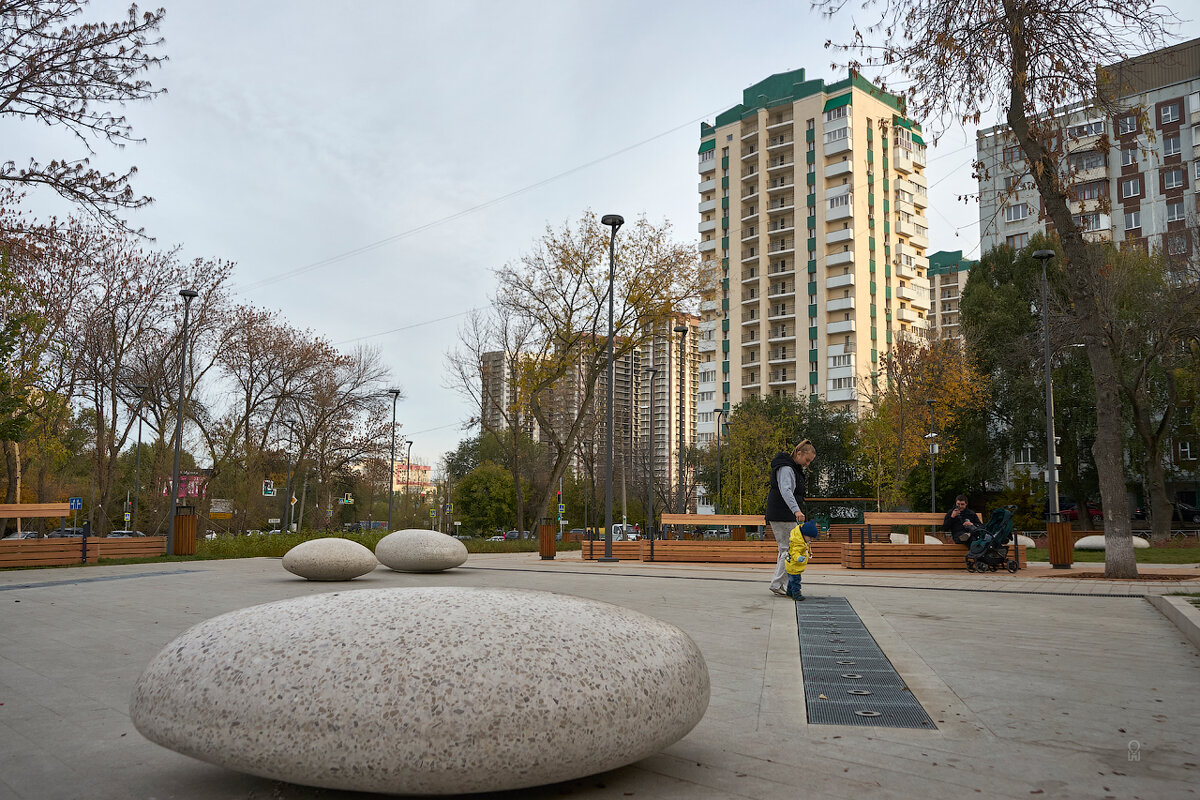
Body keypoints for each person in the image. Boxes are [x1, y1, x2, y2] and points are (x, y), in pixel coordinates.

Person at [765, 438, 816, 597]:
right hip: (782, 513)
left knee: (786, 549)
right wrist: (796, 510)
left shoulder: (792, 468)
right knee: (789, 549)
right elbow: (786, 490)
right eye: (807, 460)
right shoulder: (786, 468)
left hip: (783, 513)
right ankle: (778, 584)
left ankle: (782, 584)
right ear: (799, 453)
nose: (807, 464)